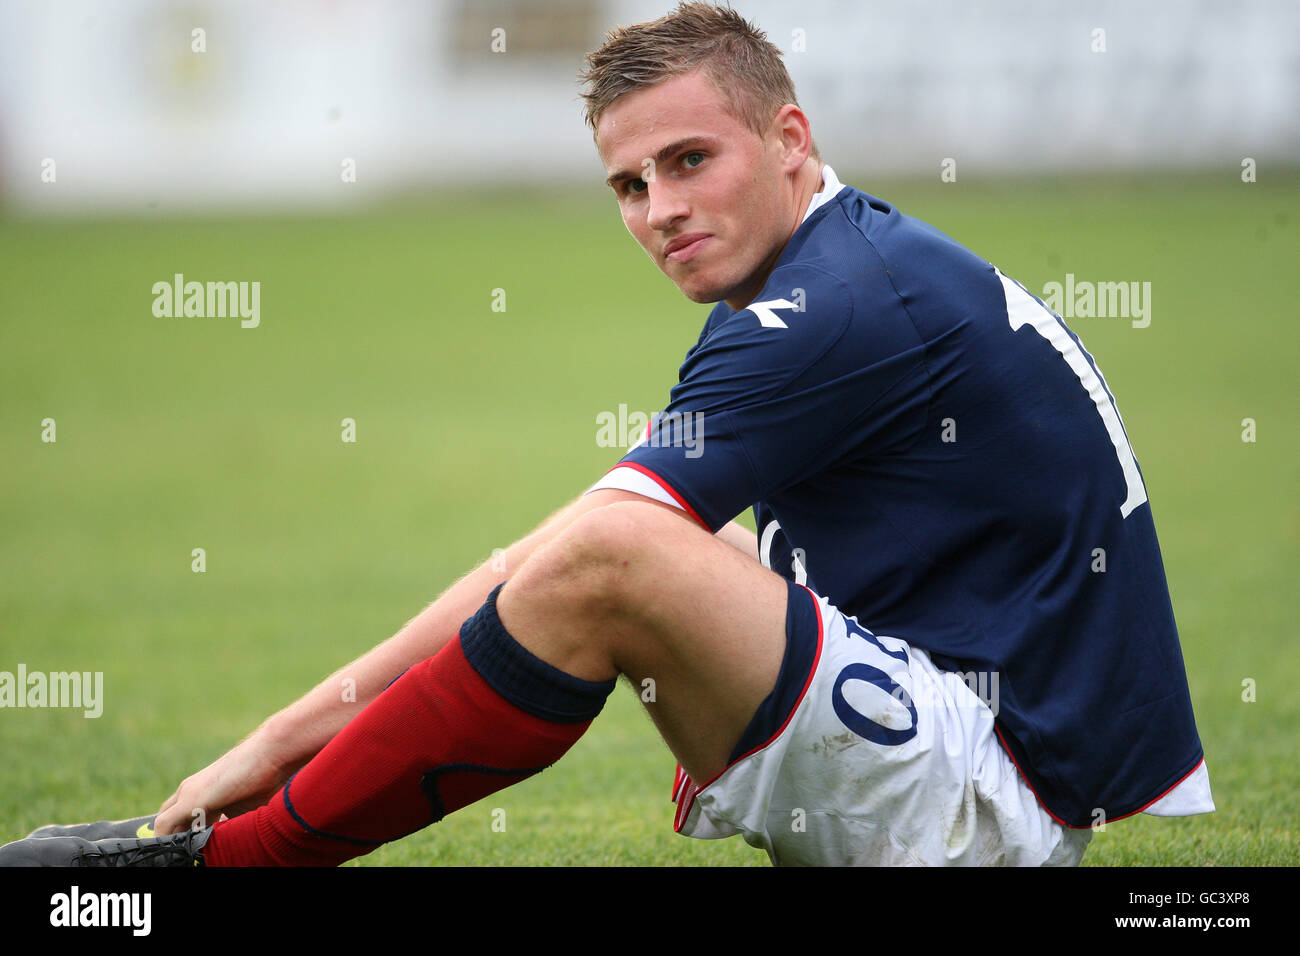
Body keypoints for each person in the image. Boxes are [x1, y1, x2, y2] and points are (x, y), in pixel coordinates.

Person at [1, 2, 1211, 868]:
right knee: (616, 545)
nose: (661, 210)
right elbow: (553, 548)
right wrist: (276, 737)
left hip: (985, 800)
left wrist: (269, 747)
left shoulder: (826, 307)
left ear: (790, 140)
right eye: (629, 185)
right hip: (986, 751)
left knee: (611, 556)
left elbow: (574, 553)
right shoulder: (853, 265)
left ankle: (232, 866)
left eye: (690, 160)